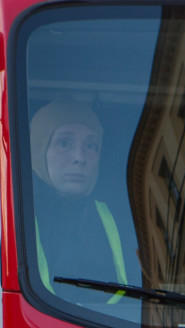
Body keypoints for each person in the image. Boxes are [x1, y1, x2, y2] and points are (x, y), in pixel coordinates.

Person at [28, 100, 130, 301]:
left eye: (91, 145)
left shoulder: (122, 220)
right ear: (38, 149)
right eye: (64, 143)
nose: (79, 157)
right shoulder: (4, 214)